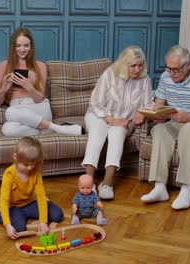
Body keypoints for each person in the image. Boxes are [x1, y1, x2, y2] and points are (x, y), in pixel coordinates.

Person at [140, 45, 190, 210]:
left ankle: (186, 189)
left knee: (189, 128)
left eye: (175, 70)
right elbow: (159, 104)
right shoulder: (165, 77)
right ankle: (159, 187)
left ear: (188, 65)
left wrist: (189, 118)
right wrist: (157, 115)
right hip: (178, 122)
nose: (171, 74)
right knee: (160, 129)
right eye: (168, 68)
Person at [82, 45, 154, 200]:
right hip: (99, 115)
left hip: (123, 121)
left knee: (118, 133)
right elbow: (95, 102)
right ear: (124, 64)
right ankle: (88, 182)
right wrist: (111, 119)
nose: (137, 69)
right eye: (133, 66)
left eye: (140, 65)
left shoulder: (145, 80)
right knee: (98, 133)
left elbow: (149, 103)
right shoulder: (110, 74)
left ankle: (107, 183)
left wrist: (142, 113)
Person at [0, 27, 83, 136]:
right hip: (17, 110)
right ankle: (52, 128)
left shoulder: (40, 66)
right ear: (13, 47)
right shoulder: (3, 66)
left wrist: (29, 87)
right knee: (7, 130)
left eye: (26, 45)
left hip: (39, 107)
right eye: (18, 46)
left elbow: (40, 98)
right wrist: (3, 90)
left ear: (31, 47)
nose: (22, 49)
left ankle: (49, 126)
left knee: (9, 112)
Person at [0, 136, 64, 240]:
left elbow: (40, 196)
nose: (30, 168)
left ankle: (44, 205)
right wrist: (7, 225)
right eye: (26, 165)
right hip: (14, 207)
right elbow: (4, 201)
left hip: (30, 203)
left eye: (33, 164)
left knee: (58, 215)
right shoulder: (8, 174)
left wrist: (43, 221)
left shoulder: (35, 172)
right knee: (19, 228)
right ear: (15, 157)